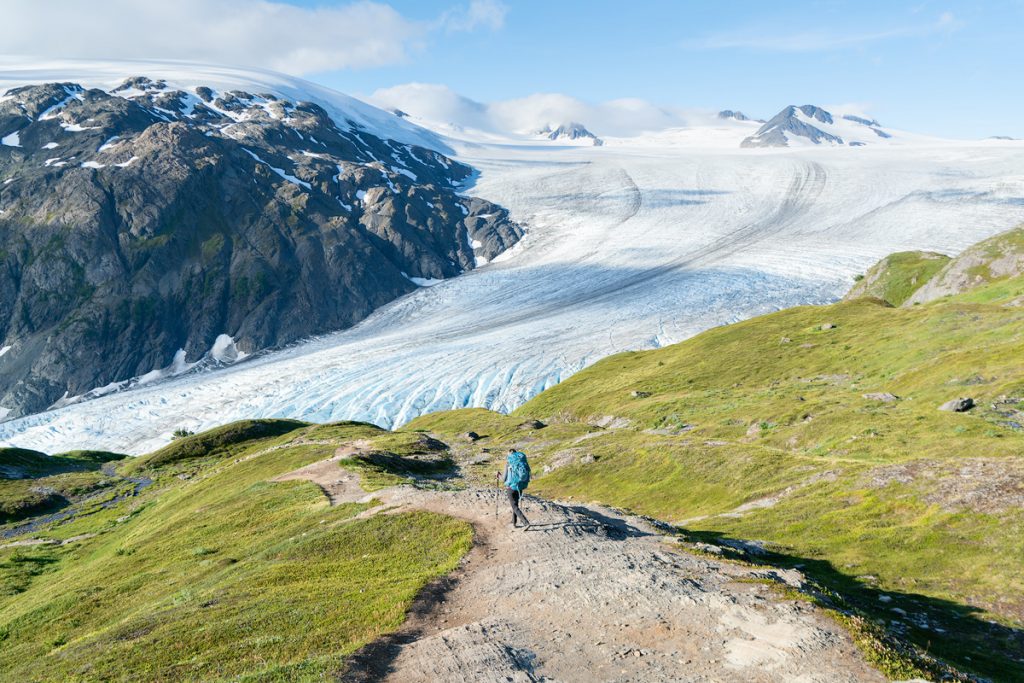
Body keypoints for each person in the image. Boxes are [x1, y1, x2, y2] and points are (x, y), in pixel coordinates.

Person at [500, 448, 531, 529]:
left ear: (509, 454)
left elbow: (503, 479)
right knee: (515, 504)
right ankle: (514, 522)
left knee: (514, 506)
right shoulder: (522, 462)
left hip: (511, 488)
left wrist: (499, 476)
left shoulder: (508, 463)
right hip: (520, 486)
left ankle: (526, 523)